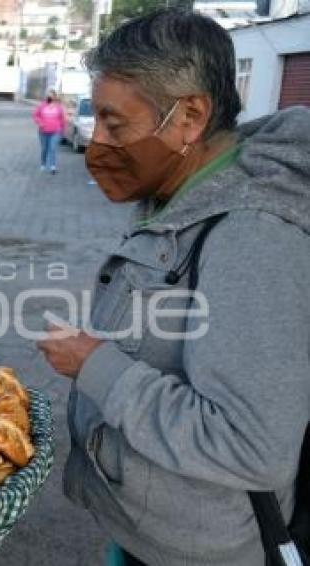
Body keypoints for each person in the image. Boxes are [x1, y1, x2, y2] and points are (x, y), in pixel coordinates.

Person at [37, 9, 310, 566]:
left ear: (189, 115)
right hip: (152, 530)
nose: (99, 143)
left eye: (117, 125)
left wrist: (96, 364)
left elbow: (252, 446)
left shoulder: (252, 237)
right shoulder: (183, 193)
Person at [32, 88, 66, 174]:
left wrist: (62, 129)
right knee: (44, 149)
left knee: (53, 148)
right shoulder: (42, 106)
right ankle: (43, 164)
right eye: (48, 95)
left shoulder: (59, 107)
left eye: (51, 95)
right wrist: (40, 123)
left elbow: (62, 118)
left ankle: (52, 167)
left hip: (55, 131)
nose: (49, 96)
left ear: (55, 96)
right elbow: (35, 116)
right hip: (43, 131)